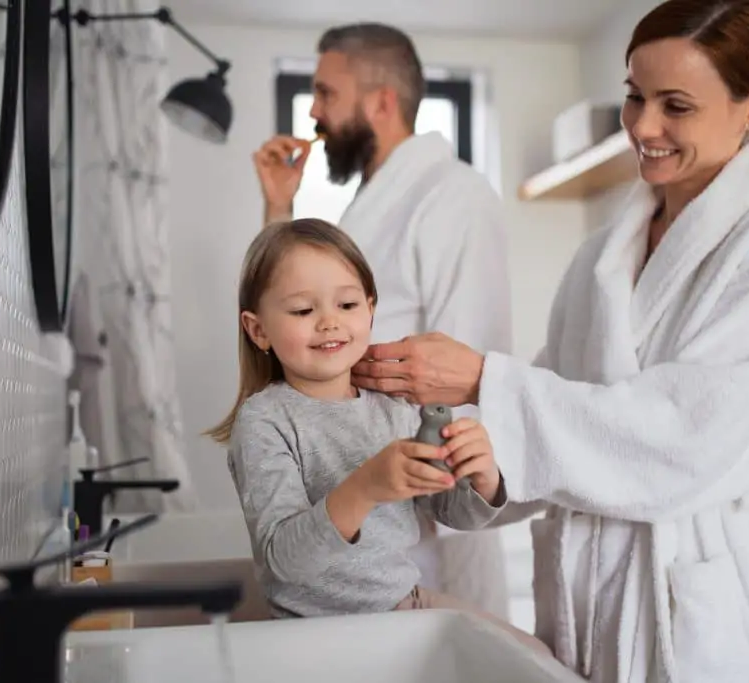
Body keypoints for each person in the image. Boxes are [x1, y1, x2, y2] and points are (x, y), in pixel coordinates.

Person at [351, 1, 749, 681]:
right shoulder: (599, 259)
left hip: (700, 604)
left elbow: (684, 436)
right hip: (585, 598)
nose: (643, 126)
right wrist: (485, 467)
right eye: (635, 96)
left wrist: (482, 381)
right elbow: (557, 426)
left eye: (676, 105)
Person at [251, 23, 514, 617]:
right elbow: (287, 299)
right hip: (350, 524)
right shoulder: (374, 202)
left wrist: (457, 484)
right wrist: (278, 206)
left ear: (382, 101)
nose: (314, 110)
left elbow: (467, 365)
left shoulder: (454, 196)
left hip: (428, 515)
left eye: (326, 92)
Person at [204, 219, 551, 658]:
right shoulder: (264, 423)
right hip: (309, 636)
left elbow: (447, 510)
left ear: (370, 309)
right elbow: (284, 563)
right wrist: (365, 487)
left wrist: (482, 478)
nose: (329, 322)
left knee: (534, 660)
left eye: (346, 304)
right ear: (258, 331)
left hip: (402, 606)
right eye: (303, 311)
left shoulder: (391, 407)